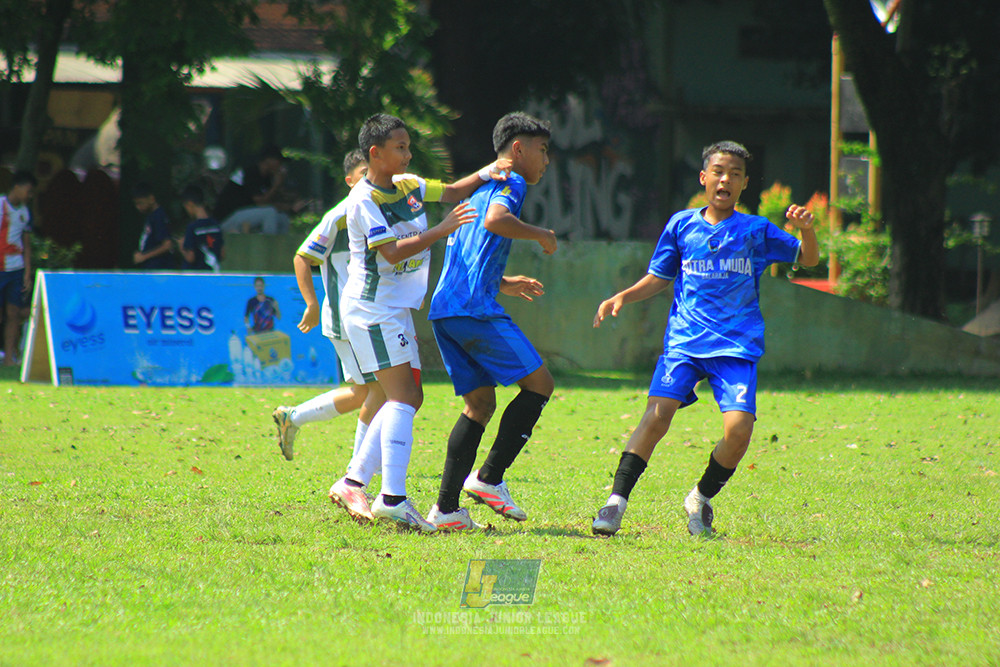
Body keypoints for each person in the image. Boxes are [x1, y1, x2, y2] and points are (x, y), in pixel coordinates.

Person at [590, 141, 819, 537]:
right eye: (718, 171)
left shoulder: (755, 231)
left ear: (745, 183)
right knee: (657, 416)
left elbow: (808, 259)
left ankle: (700, 497)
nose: (725, 179)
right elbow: (660, 276)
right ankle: (615, 503)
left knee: (738, 432)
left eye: (734, 173)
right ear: (704, 177)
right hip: (685, 342)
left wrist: (808, 231)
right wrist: (624, 296)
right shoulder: (681, 225)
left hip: (736, 347)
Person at [327, 112, 508, 532]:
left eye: (408, 146)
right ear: (375, 153)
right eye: (400, 147)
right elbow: (390, 253)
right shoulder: (363, 201)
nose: (408, 155)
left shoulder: (408, 187)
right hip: (373, 311)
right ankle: (392, 498)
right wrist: (441, 230)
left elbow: (454, 191)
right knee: (403, 398)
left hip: (394, 310)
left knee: (407, 398)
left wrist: (489, 170)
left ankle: (354, 481)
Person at [425, 111, 557, 531]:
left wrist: (503, 280)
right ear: (517, 149)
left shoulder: (480, 186)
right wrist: (540, 233)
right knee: (540, 385)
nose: (546, 160)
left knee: (479, 405)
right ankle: (488, 479)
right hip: (474, 310)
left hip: (445, 311)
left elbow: (470, 248)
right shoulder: (511, 182)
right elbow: (496, 222)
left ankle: (445, 511)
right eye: (542, 150)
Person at [271, 149, 388, 469]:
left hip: (367, 316)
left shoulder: (378, 210)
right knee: (378, 389)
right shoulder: (341, 215)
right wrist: (311, 303)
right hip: (345, 317)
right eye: (364, 174)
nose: (370, 179)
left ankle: (292, 417)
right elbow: (302, 257)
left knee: (365, 392)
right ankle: (358, 470)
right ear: (349, 180)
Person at [214, 145, 306, 235]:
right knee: (269, 212)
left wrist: (291, 207)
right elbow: (260, 203)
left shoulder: (267, 178)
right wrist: (276, 185)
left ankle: (280, 249)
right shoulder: (251, 172)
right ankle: (268, 246)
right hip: (227, 219)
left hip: (244, 216)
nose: (280, 165)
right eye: (279, 161)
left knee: (282, 217)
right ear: (269, 160)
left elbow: (271, 203)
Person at [1, 171, 36, 367]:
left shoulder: (26, 212)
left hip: (16, 269)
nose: (29, 196)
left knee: (13, 313)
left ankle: (8, 359)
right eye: (28, 191)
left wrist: (27, 272)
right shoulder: (0, 205)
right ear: (17, 187)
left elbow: (27, 244)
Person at [179, 185, 224, 272]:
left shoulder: (192, 228)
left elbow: (190, 258)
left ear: (189, 204)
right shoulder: (216, 225)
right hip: (213, 272)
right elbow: (222, 254)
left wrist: (181, 247)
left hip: (196, 275)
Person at [131, 182, 174, 269]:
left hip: (158, 268)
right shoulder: (151, 216)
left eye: (140, 203)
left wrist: (144, 256)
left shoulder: (159, 216)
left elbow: (167, 245)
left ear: (151, 199)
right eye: (136, 204)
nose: (138, 207)